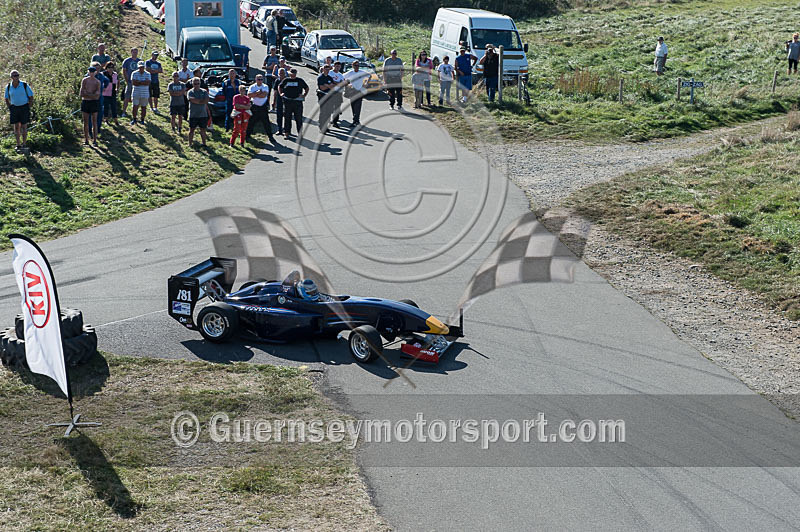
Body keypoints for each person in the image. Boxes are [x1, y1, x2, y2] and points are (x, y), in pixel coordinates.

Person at [4, 70, 33, 152]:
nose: (16, 77)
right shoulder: (9, 86)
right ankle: (18, 144)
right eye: (14, 75)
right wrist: (10, 107)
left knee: (24, 126)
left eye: (17, 75)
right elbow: (6, 98)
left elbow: (31, 96)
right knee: (16, 127)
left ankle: (24, 144)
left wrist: (28, 107)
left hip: (24, 107)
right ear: (11, 77)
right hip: (14, 108)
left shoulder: (24, 85)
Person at [278, 68, 309, 138]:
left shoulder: (300, 80)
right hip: (288, 101)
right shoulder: (286, 80)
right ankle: (287, 132)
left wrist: (304, 95)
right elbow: (280, 86)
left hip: (297, 102)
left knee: (298, 118)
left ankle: (300, 134)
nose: (292, 75)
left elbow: (306, 88)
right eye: (291, 74)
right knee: (287, 117)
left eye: (293, 74)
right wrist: (281, 93)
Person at [246, 74, 275, 142]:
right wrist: (258, 92)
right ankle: (247, 135)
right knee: (251, 122)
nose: (260, 81)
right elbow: (249, 95)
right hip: (254, 106)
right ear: (255, 79)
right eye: (258, 79)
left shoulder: (265, 86)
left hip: (263, 107)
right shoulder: (252, 86)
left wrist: (255, 94)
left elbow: (264, 95)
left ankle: (270, 136)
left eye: (261, 79)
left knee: (266, 123)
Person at [343, 60, 369, 127]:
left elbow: (369, 76)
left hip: (359, 91)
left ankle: (356, 121)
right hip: (352, 91)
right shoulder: (350, 73)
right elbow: (343, 77)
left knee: (358, 106)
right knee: (353, 106)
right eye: (355, 65)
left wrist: (366, 83)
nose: (357, 67)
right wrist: (347, 84)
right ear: (353, 66)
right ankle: (355, 120)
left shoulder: (362, 72)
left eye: (358, 65)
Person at [79, 66, 101, 145]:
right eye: (90, 72)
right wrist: (91, 95)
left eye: (93, 72)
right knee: (85, 122)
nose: (91, 73)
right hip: (86, 102)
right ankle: (86, 140)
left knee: (94, 122)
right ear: (88, 72)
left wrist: (87, 94)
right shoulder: (84, 80)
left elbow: (97, 95)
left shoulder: (97, 82)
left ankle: (95, 140)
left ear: (95, 72)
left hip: (94, 103)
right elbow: (81, 93)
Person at [187, 77, 209, 146]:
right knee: (191, 130)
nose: (197, 85)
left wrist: (197, 101)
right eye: (195, 83)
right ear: (192, 84)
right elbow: (191, 100)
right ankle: (190, 144)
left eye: (198, 83)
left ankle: (204, 144)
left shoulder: (204, 91)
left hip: (203, 114)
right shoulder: (190, 92)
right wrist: (201, 101)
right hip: (193, 115)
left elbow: (206, 100)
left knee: (203, 130)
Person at [130, 60, 151, 125]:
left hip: (145, 93)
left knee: (144, 107)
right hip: (136, 92)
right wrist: (143, 82)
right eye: (140, 67)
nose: (141, 68)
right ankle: (134, 119)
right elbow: (134, 83)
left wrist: (139, 82)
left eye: (142, 67)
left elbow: (148, 83)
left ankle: (142, 119)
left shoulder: (148, 74)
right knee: (135, 106)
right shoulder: (134, 73)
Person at [121, 47, 140, 116]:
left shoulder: (139, 61)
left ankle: (135, 113)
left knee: (136, 98)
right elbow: (124, 70)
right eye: (134, 52)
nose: (135, 54)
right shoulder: (127, 61)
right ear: (131, 52)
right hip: (129, 82)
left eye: (136, 52)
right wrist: (127, 80)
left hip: (137, 83)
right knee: (127, 96)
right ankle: (124, 111)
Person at [317, 64, 335, 132]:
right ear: (323, 69)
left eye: (328, 69)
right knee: (323, 112)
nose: (327, 71)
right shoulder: (320, 77)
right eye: (326, 69)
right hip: (322, 96)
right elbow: (322, 88)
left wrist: (326, 85)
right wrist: (328, 86)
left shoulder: (330, 77)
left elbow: (333, 86)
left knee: (328, 112)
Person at [102, 62, 120, 126]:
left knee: (114, 107)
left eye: (112, 67)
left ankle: (115, 120)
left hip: (113, 92)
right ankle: (106, 120)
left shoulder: (115, 74)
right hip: (105, 93)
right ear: (106, 68)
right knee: (106, 107)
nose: (111, 69)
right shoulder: (103, 74)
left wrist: (117, 88)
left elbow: (118, 81)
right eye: (109, 67)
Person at [329, 61, 345, 126]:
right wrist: (336, 83)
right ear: (334, 66)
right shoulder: (330, 73)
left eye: (339, 66)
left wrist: (335, 82)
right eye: (336, 66)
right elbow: (329, 81)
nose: (338, 67)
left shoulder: (340, 75)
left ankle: (335, 121)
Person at [272, 67, 287, 135]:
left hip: (287, 100)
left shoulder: (288, 80)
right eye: (280, 73)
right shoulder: (277, 81)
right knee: (279, 115)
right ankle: (279, 129)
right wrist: (274, 101)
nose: (281, 74)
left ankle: (286, 130)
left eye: (282, 73)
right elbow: (275, 91)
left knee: (287, 116)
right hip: (279, 100)